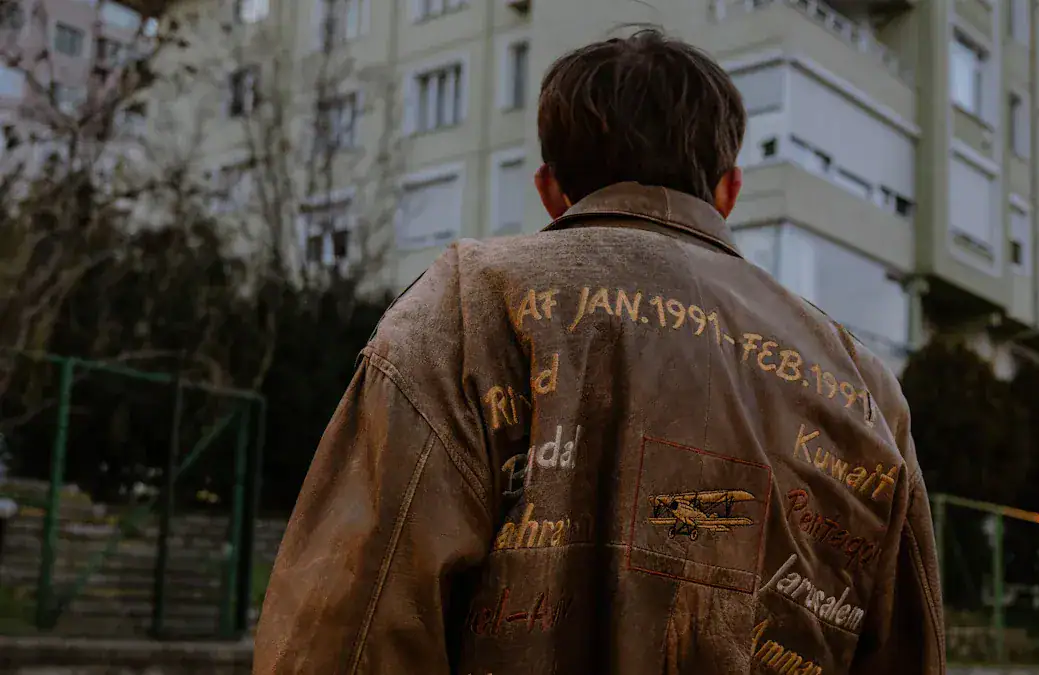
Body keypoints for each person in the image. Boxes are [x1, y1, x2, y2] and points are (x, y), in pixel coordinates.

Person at [254, 28, 945, 675]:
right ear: (729, 190)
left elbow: (349, 631)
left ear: (550, 189)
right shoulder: (863, 384)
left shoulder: (467, 306)